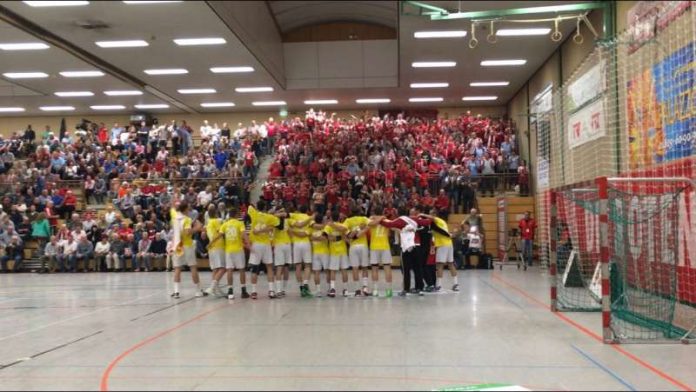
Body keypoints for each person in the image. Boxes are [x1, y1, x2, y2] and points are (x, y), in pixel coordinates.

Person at [379, 207, 432, 296]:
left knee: (406, 269)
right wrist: (423, 215)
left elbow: (388, 224)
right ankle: (419, 289)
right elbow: (428, 221)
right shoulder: (414, 219)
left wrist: (380, 219)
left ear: (398, 213)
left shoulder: (399, 220)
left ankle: (406, 289)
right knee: (417, 268)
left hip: (406, 248)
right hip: (417, 246)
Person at [246, 200, 283, 299]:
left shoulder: (253, 213)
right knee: (269, 267)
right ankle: (271, 291)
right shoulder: (270, 217)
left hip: (256, 244)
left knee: (254, 268)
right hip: (266, 244)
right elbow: (278, 222)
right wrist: (274, 215)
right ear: (265, 207)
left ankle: (254, 292)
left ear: (257, 207)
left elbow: (249, 206)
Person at [170, 201, 207, 299]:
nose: (189, 210)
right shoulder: (186, 219)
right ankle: (198, 291)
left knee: (177, 268)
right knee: (192, 267)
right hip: (187, 245)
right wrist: (197, 228)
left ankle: (176, 292)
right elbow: (187, 232)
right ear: (185, 209)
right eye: (188, 208)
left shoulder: (174, 218)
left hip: (177, 245)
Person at [218, 206, 249, 299]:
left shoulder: (225, 224)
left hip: (228, 250)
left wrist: (211, 243)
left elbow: (219, 236)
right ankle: (243, 291)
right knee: (241, 270)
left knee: (229, 270)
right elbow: (244, 235)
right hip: (238, 249)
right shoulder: (240, 223)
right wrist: (248, 244)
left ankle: (230, 291)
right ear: (236, 215)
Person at [426, 208, 459, 291]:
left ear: (434, 214)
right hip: (449, 244)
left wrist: (421, 215)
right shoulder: (443, 222)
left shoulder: (436, 220)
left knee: (439, 265)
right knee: (451, 264)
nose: (429, 216)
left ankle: (439, 285)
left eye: (430, 214)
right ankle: (456, 284)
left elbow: (431, 219)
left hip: (442, 245)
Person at [343, 206, 371, 296]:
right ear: (359, 212)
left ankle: (357, 290)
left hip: (353, 246)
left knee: (355, 268)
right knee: (364, 267)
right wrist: (362, 228)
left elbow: (344, 232)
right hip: (363, 245)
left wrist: (350, 238)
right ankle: (365, 288)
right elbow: (371, 224)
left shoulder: (348, 220)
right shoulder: (363, 218)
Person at [367, 205, 394, 297]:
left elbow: (371, 224)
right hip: (385, 246)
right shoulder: (386, 220)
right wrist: (382, 218)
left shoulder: (370, 220)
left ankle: (375, 290)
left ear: (374, 212)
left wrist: (377, 218)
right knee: (387, 268)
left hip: (374, 247)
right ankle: (389, 291)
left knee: (374, 268)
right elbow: (392, 229)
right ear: (382, 211)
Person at [289, 206, 314, 297]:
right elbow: (304, 233)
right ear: (307, 211)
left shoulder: (293, 217)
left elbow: (295, 226)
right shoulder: (309, 218)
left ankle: (301, 288)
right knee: (307, 265)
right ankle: (306, 285)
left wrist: (293, 231)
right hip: (305, 243)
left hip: (296, 244)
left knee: (298, 266)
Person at [324, 210, 349, 297]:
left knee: (333, 271)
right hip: (342, 251)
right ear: (339, 217)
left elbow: (327, 237)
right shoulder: (342, 225)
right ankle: (345, 289)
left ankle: (332, 289)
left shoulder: (329, 226)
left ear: (331, 217)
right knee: (344, 270)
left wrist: (333, 237)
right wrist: (340, 237)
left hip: (334, 251)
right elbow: (345, 234)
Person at [204, 205, 226, 297]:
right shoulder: (217, 221)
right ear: (216, 213)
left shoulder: (208, 222)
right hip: (218, 246)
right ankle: (212, 288)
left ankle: (215, 289)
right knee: (223, 268)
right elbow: (219, 234)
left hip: (212, 248)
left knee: (215, 269)